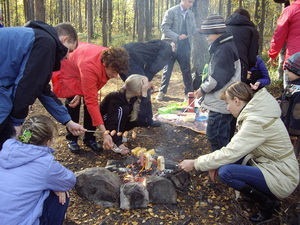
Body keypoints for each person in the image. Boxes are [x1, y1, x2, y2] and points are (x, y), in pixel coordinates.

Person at [179, 82, 299, 222]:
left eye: (228, 103)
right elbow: (235, 148)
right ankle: (256, 192)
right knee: (227, 162)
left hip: (283, 175)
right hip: (271, 164)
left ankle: (269, 203)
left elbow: (231, 152)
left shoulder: (256, 121)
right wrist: (214, 163)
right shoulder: (256, 112)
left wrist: (195, 163)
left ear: (237, 101)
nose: (227, 108)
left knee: (226, 172)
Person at [0, 21, 86, 150]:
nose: (68, 57)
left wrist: (68, 121)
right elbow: (27, 86)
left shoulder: (36, 37)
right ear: (64, 39)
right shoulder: (46, 43)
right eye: (69, 50)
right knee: (6, 139)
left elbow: (42, 89)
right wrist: (16, 122)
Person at [52, 42, 129, 153]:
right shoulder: (90, 66)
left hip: (82, 63)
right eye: (114, 72)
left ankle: (89, 138)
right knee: (73, 101)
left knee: (90, 105)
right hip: (70, 65)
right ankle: (72, 138)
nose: (115, 76)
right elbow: (91, 102)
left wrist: (81, 92)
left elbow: (92, 95)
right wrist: (104, 133)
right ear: (107, 65)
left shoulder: (111, 57)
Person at [0, 115, 76, 225]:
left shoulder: (5, 151)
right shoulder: (45, 163)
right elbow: (69, 180)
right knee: (60, 192)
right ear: (48, 142)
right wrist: (55, 185)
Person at [196, 15, 241, 151]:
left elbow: (217, 78)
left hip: (221, 102)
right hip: (224, 100)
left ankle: (221, 167)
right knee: (223, 135)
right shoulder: (224, 46)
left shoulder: (224, 49)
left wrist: (202, 90)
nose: (207, 38)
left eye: (207, 35)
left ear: (216, 32)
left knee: (215, 135)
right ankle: (224, 164)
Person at [120, 39, 175, 127]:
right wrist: (146, 81)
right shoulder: (167, 47)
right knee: (144, 89)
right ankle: (145, 120)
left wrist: (145, 78)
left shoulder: (157, 44)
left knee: (131, 88)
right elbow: (156, 66)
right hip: (131, 58)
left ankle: (128, 116)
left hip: (122, 54)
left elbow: (148, 61)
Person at [156, 0, 198, 101]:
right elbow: (164, 28)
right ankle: (162, 91)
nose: (191, 4)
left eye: (192, 2)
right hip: (170, 44)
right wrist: (177, 37)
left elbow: (193, 29)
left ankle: (188, 93)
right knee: (167, 69)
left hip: (185, 47)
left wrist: (198, 30)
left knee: (186, 70)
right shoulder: (171, 11)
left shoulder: (191, 14)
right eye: (189, 1)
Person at [100, 74, 150, 154]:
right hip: (105, 120)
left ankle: (120, 133)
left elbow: (143, 117)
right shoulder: (116, 99)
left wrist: (144, 95)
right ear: (137, 91)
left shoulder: (133, 97)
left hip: (116, 119)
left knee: (138, 117)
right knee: (124, 109)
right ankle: (114, 141)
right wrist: (119, 143)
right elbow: (111, 123)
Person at [268, 0, 300, 88]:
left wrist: (273, 54)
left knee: (292, 93)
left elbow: (279, 34)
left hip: (295, 61)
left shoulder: (291, 10)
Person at [225, 8, 259, 83]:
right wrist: (249, 67)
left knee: (222, 90)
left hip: (223, 61)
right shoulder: (252, 30)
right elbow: (253, 53)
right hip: (241, 63)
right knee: (237, 90)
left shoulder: (224, 28)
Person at [280, 52, 300, 156]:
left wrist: (293, 132)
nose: (286, 74)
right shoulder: (292, 86)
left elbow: (297, 114)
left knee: (292, 154)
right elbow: (285, 98)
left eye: (289, 71)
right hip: (287, 127)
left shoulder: (298, 92)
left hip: (294, 132)